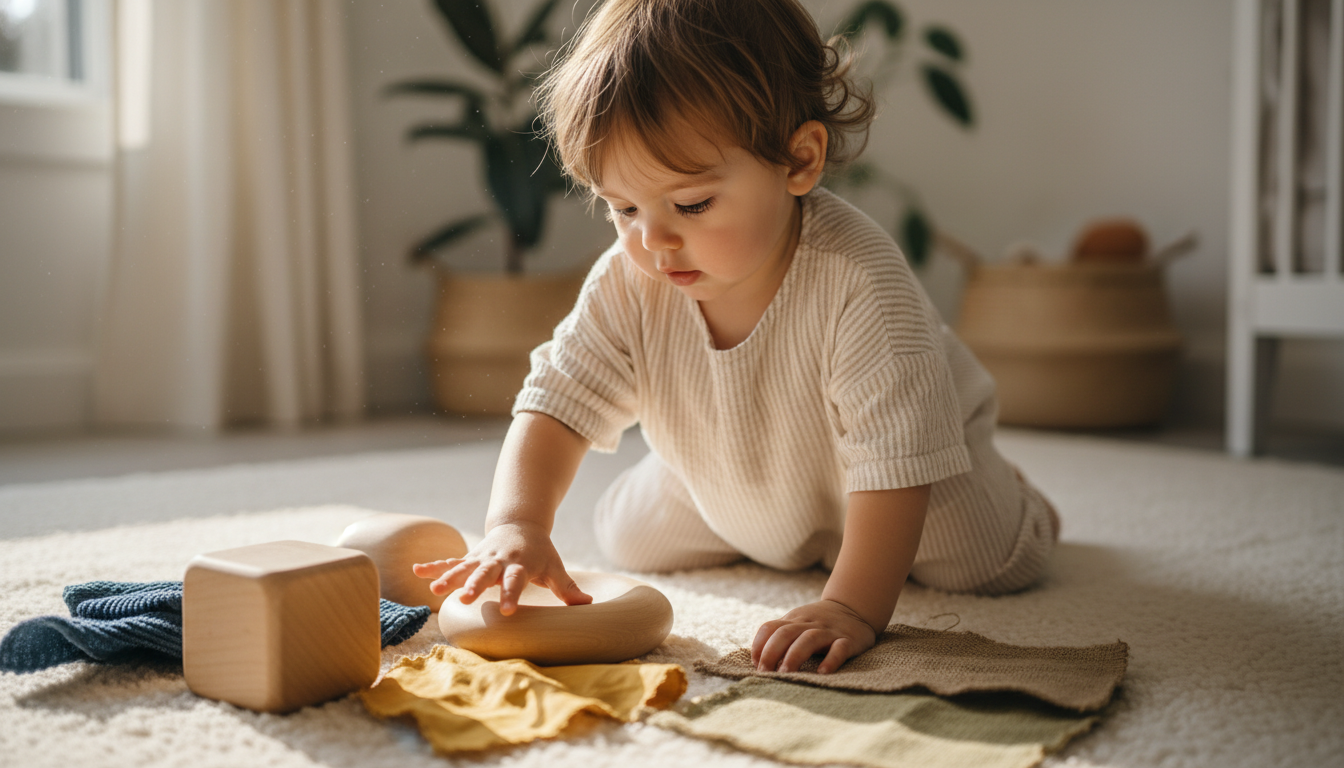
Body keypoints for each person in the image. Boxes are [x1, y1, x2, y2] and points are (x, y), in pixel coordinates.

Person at [414, 0, 1059, 675]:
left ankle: (1016, 501)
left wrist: (850, 607)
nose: (653, 240)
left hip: (903, 473)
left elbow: (896, 460)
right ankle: (742, 497)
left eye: (691, 204)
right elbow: (555, 403)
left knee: (985, 561)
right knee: (627, 537)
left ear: (799, 160)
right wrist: (516, 525)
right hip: (735, 471)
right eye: (623, 208)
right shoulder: (628, 281)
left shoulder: (860, 284)